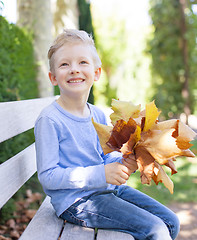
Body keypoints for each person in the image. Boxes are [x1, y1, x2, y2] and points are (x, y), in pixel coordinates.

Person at [34, 29, 180, 240]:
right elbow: (48, 177)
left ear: (96, 73)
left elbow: (105, 156)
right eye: (65, 64)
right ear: (53, 77)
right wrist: (101, 174)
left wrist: (122, 162)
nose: (74, 69)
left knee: (170, 222)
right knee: (155, 230)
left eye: (83, 62)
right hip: (77, 201)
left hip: (107, 189)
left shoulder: (97, 114)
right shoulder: (50, 120)